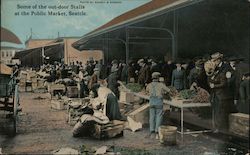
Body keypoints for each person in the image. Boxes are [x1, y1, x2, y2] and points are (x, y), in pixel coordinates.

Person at [207, 52, 233, 133]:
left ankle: (221, 129)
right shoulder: (215, 67)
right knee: (216, 111)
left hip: (223, 93)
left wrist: (220, 83)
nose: (213, 62)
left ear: (218, 60)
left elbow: (230, 79)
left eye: (214, 60)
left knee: (221, 111)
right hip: (215, 93)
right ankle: (217, 127)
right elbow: (210, 77)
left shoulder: (226, 66)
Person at [146, 72, 170, 139]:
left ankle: (152, 130)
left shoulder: (149, 85)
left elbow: (147, 91)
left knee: (152, 116)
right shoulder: (161, 85)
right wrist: (163, 92)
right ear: (158, 78)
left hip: (152, 102)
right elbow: (168, 90)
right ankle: (157, 131)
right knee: (159, 116)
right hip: (159, 102)